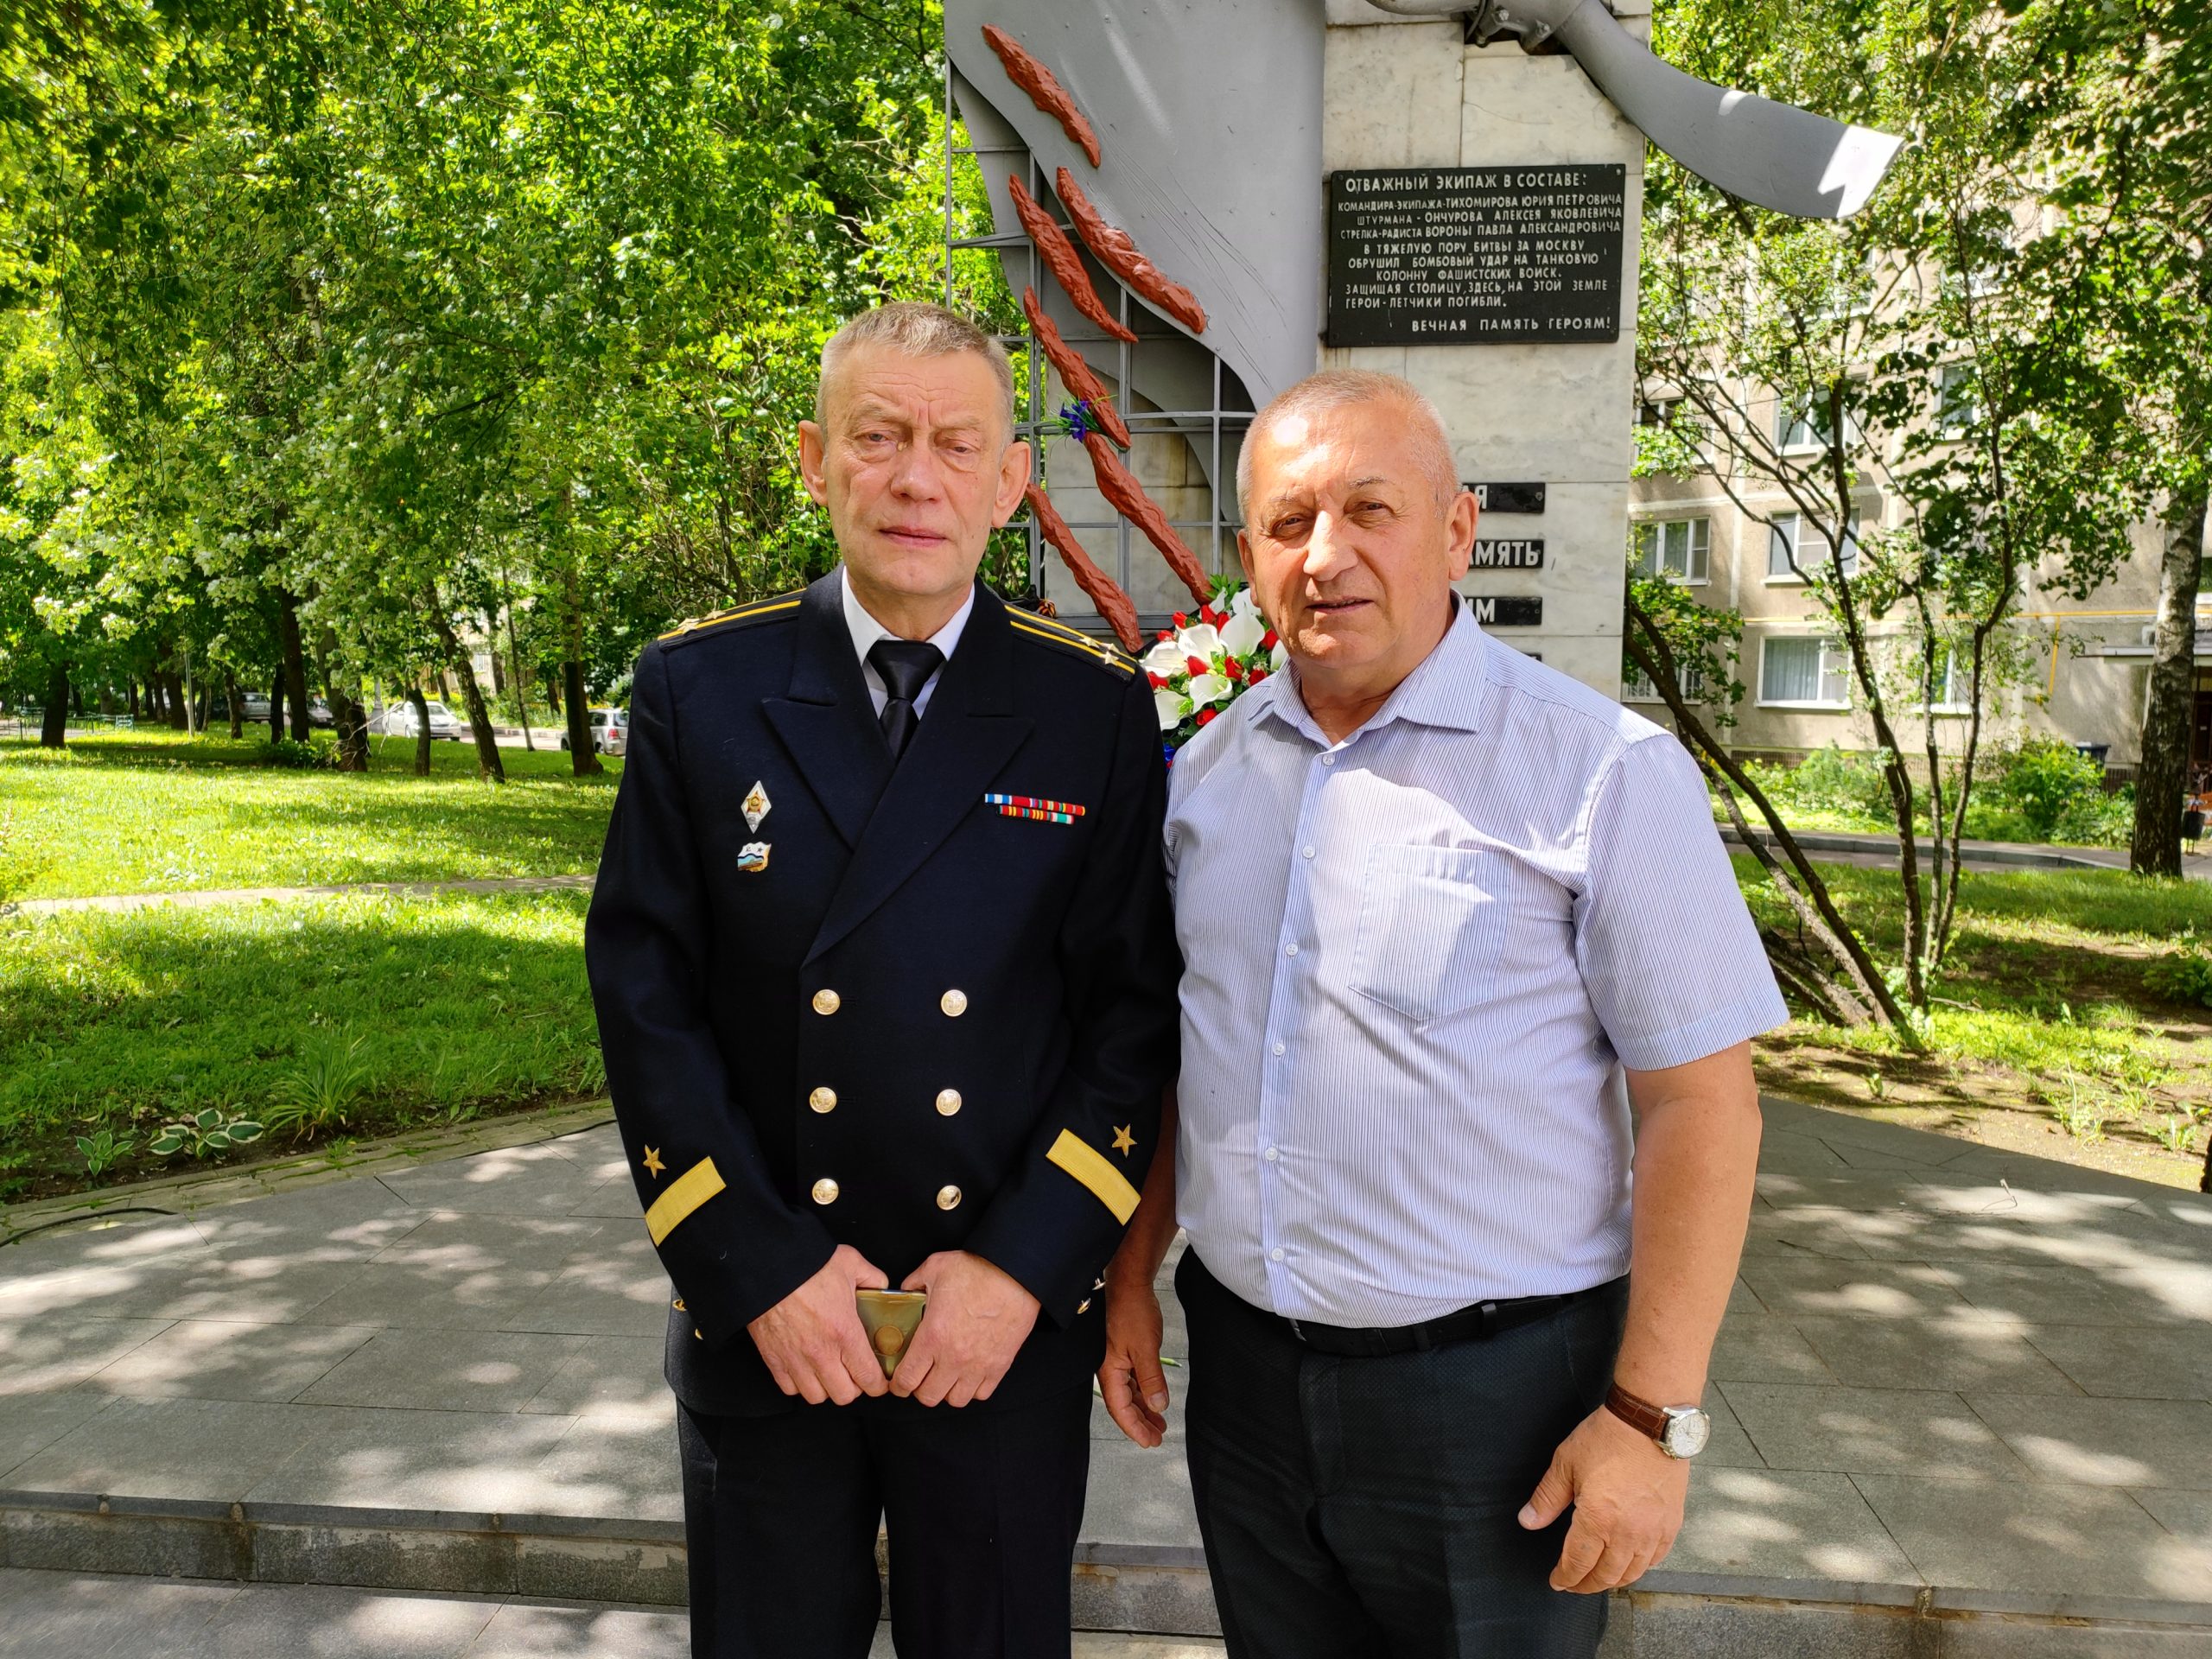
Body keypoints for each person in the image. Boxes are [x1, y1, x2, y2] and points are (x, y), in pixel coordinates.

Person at [1098, 369, 1786, 1657]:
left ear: (1457, 528)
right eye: (1289, 523)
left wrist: (1651, 1421)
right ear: (1249, 560)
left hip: (1497, 1406)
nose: (1328, 555)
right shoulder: (1204, 776)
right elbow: (1194, 1056)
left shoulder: (1601, 772)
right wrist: (1133, 1269)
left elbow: (1703, 1104)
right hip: (1246, 1384)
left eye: (1372, 509)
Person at [586, 301, 1181, 1659]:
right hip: (776, 1315)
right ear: (815, 459)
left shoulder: (1090, 709)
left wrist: (1026, 1273)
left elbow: (1131, 1017)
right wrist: (759, 1269)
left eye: (958, 444)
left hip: (994, 1334)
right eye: (880, 437)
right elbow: (646, 1004)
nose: (918, 478)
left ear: (1010, 480)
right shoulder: (701, 689)